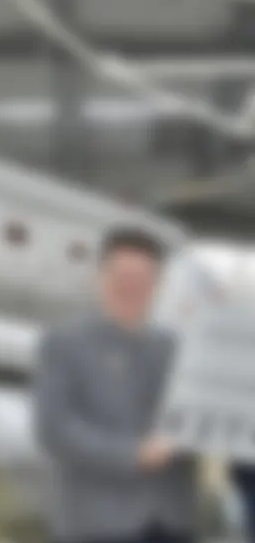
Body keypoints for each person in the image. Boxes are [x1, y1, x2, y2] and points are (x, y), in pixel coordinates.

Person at [33, 227, 195, 543]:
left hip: (171, 519)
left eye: (142, 278)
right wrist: (133, 454)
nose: (131, 287)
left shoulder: (175, 348)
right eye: (122, 276)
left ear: (158, 283)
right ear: (100, 276)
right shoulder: (64, 343)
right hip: (98, 523)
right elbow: (55, 430)